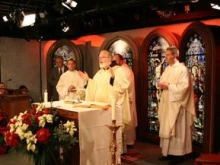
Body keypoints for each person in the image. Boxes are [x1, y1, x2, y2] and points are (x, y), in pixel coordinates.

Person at [157, 46, 196, 165]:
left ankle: (179, 155)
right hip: (166, 102)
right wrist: (161, 85)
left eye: (168, 55)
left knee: (177, 129)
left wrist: (168, 86)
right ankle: (167, 152)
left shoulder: (182, 69)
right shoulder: (167, 69)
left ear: (175, 55)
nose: (166, 57)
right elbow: (164, 82)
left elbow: (184, 87)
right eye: (166, 54)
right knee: (167, 127)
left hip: (177, 103)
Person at [113, 54, 138, 147]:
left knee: (125, 119)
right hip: (127, 98)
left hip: (124, 98)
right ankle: (129, 141)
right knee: (128, 118)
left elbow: (123, 86)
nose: (114, 63)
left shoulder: (122, 70)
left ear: (122, 60)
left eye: (116, 61)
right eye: (113, 61)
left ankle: (126, 143)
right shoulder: (127, 69)